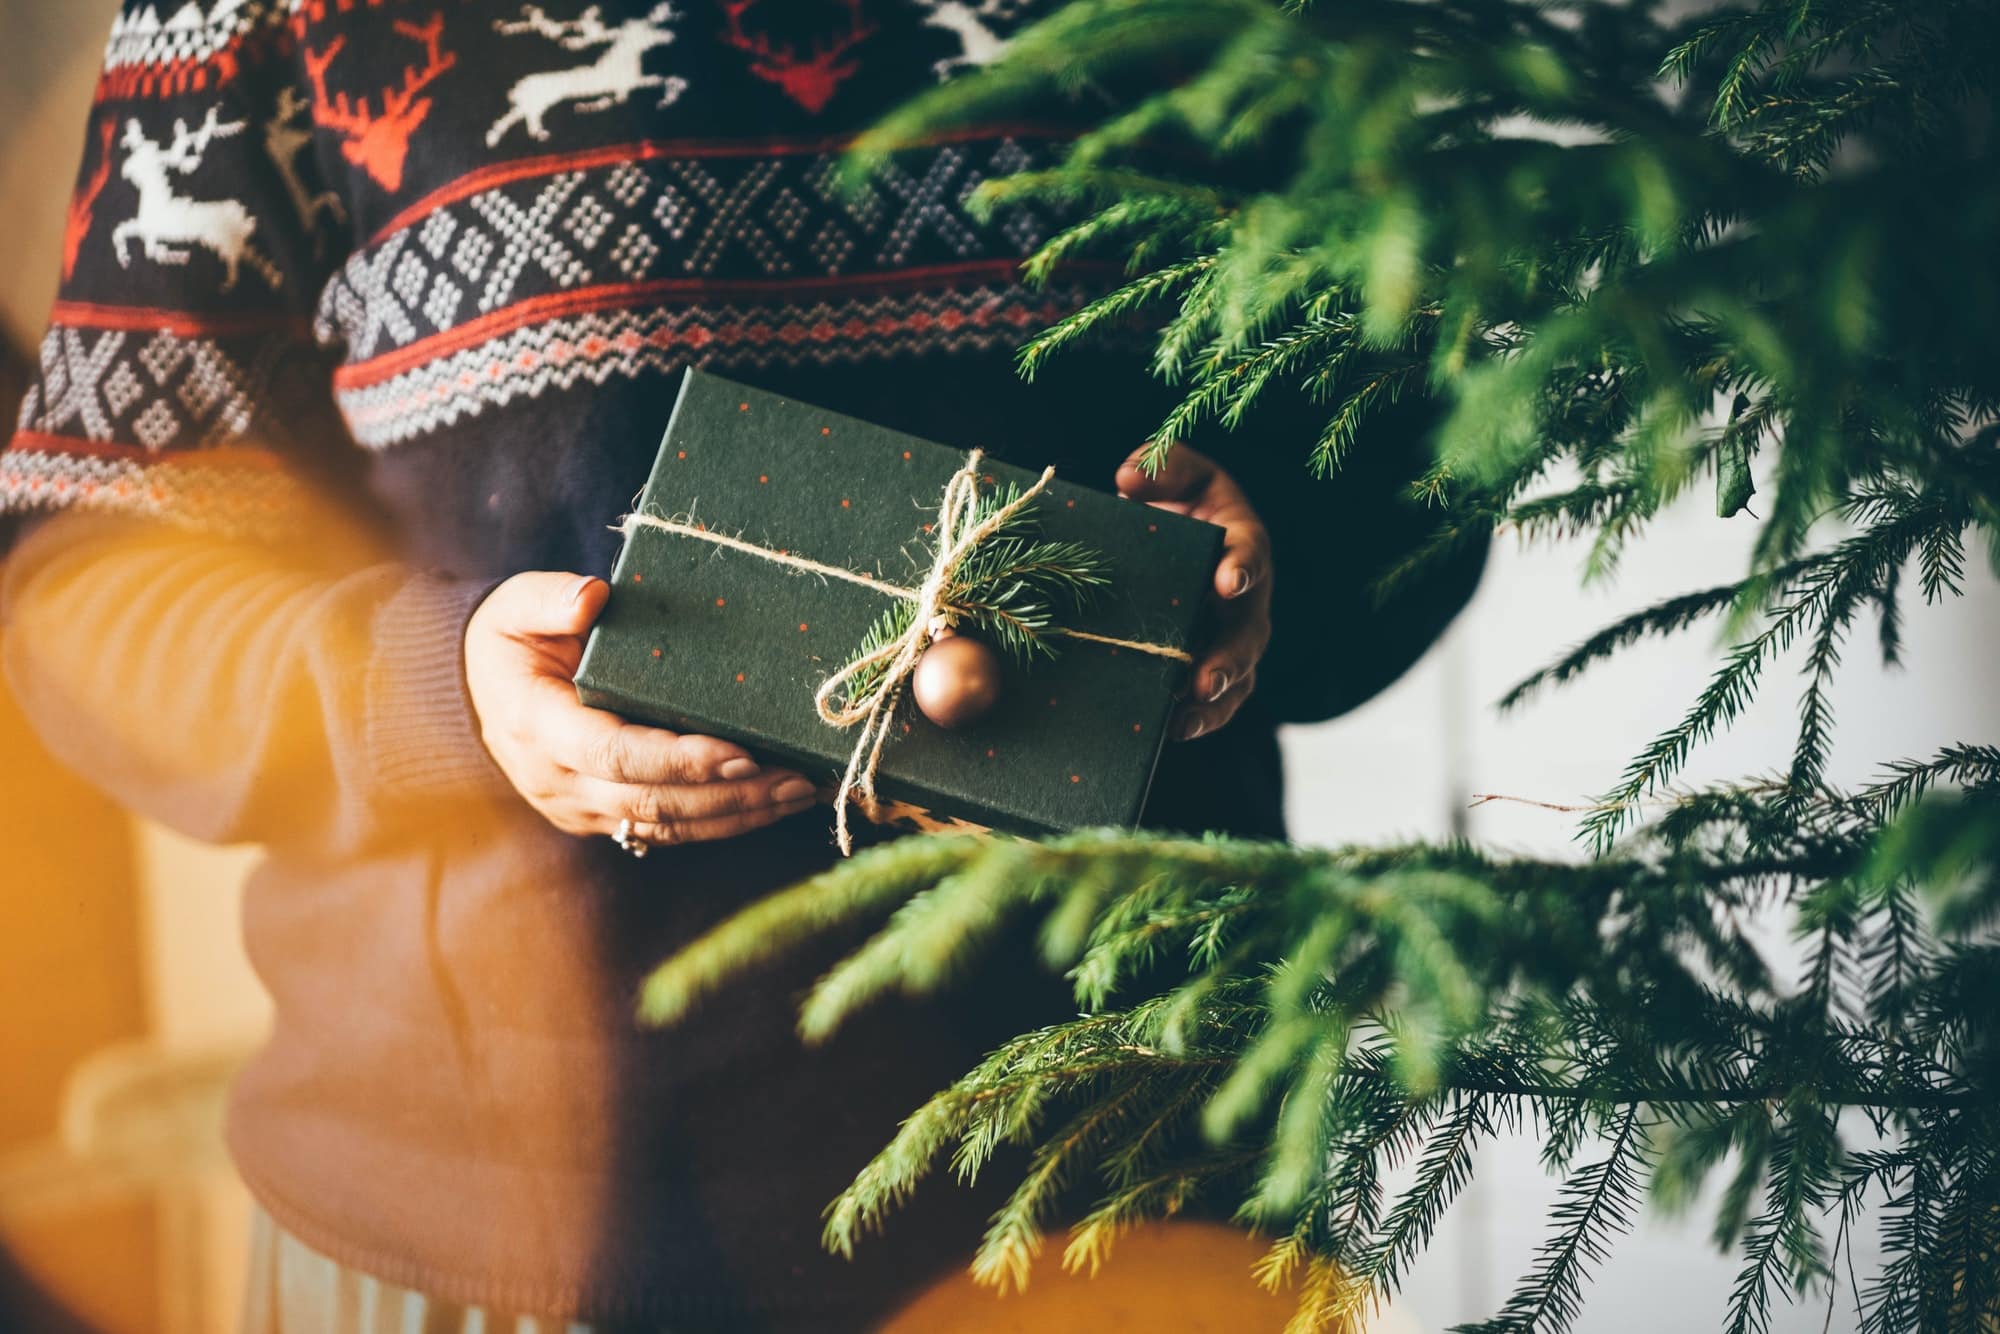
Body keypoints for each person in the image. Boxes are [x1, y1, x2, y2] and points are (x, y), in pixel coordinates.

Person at [0, 2, 1484, 1330]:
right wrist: (431, 690)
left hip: (1140, 1190)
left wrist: (1273, 558)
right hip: (500, 1240)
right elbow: (86, 581)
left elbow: (1439, 440)